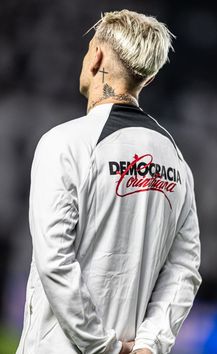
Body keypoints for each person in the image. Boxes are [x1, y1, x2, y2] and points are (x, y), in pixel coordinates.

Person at [16, 9, 202, 354]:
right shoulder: (176, 161)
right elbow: (185, 268)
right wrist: (149, 344)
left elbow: (55, 260)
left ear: (96, 55)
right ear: (148, 79)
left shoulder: (65, 142)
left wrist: (105, 347)